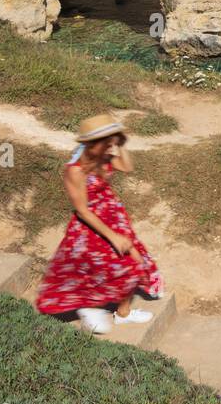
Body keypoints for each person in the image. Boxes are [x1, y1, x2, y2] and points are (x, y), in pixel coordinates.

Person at [35, 113, 163, 334]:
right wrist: (112, 236)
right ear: (92, 145)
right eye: (107, 143)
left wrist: (121, 144)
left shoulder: (102, 158)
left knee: (132, 264)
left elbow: (127, 167)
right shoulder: (74, 170)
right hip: (92, 226)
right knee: (102, 269)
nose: (110, 148)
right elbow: (83, 210)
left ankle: (123, 313)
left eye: (111, 142)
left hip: (114, 216)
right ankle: (90, 307)